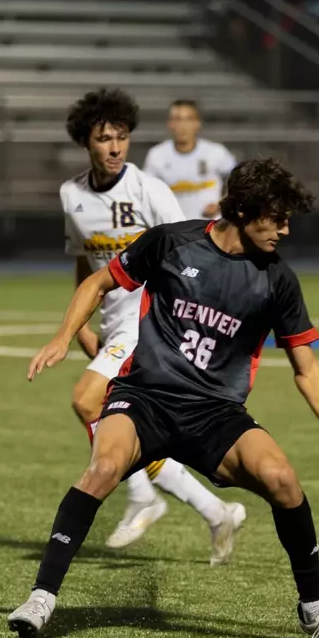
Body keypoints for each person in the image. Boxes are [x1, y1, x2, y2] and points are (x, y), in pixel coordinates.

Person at [14, 157, 319, 638]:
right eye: (279, 217)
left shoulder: (277, 280)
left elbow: (306, 368)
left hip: (215, 414)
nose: (287, 230)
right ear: (246, 211)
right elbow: (99, 281)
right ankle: (41, 598)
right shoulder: (171, 242)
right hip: (145, 397)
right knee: (101, 469)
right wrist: (62, 337)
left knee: (284, 481)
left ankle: (315, 613)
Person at [58, 88, 244, 558]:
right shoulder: (71, 195)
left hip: (152, 324)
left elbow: (190, 252)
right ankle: (214, 511)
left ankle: (142, 496)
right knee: (140, 427)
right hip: (114, 322)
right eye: (104, 138)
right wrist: (82, 324)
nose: (115, 147)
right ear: (87, 142)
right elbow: (85, 261)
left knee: (86, 401)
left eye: (122, 137)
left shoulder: (148, 190)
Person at [142, 100, 237, 219]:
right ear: (170, 124)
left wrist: (223, 202)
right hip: (173, 228)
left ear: (198, 123)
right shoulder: (157, 155)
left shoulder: (215, 152)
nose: (183, 125)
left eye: (189, 119)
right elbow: (147, 192)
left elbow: (238, 178)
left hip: (210, 228)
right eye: (177, 119)